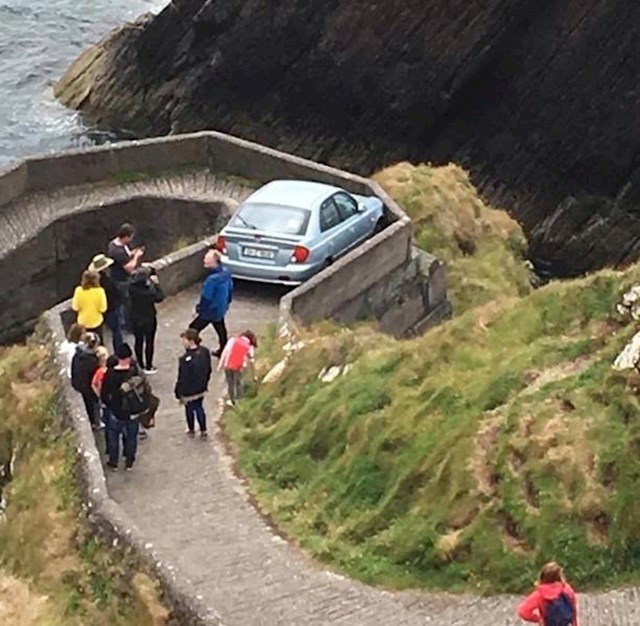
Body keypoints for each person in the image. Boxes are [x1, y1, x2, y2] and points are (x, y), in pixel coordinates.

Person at [101, 343, 151, 471]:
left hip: (116, 412)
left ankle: (114, 462)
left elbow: (104, 394)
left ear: (117, 357)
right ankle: (129, 462)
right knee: (131, 437)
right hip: (133, 411)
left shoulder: (111, 374)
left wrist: (110, 405)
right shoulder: (135, 371)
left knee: (113, 437)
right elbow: (146, 389)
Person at [189, 248, 233, 357]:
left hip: (210, 310)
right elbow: (231, 289)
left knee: (193, 328)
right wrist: (227, 303)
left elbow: (206, 297)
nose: (204, 260)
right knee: (220, 329)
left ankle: (194, 349)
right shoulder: (226, 273)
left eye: (207, 259)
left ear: (214, 261)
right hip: (220, 308)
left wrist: (198, 309)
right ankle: (223, 349)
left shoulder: (212, 280)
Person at [107, 223, 145, 332]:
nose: (131, 239)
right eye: (131, 237)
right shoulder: (117, 251)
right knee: (126, 303)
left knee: (123, 302)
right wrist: (136, 257)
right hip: (121, 280)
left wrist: (134, 252)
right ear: (126, 236)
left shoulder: (115, 244)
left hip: (118, 278)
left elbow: (126, 256)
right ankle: (126, 326)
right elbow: (129, 267)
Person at [174, 329, 212, 437]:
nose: (183, 343)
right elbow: (209, 369)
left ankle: (191, 429)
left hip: (189, 390)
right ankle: (203, 429)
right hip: (202, 387)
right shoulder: (205, 351)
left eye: (184, 340)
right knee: (199, 407)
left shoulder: (184, 359)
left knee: (189, 409)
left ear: (191, 341)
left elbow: (182, 377)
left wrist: (178, 391)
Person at [518, 562, 578, 626]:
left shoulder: (540, 594)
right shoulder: (566, 589)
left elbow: (523, 611)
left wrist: (539, 619)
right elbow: (573, 608)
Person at [129, 265, 164, 374]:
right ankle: (148, 366)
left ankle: (140, 364)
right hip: (149, 318)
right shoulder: (149, 292)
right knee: (149, 341)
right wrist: (156, 284)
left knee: (138, 341)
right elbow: (160, 297)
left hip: (136, 318)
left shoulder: (131, 288)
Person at [88, 253, 122, 352]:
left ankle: (102, 354)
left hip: (98, 311)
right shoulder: (107, 282)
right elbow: (115, 293)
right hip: (111, 309)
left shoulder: (93, 283)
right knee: (116, 331)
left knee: (99, 336)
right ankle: (118, 351)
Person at [218, 330, 258, 406]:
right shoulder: (249, 346)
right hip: (239, 367)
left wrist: (220, 364)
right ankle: (240, 401)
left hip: (228, 365)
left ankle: (232, 401)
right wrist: (254, 375)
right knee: (239, 383)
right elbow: (252, 361)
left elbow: (225, 352)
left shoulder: (233, 340)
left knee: (230, 383)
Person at [70, 332, 101, 430]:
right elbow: (94, 378)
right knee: (92, 406)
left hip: (77, 384)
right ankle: (95, 423)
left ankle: (93, 422)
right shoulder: (92, 360)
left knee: (88, 405)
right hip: (87, 387)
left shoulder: (78, 354)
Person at [71, 270, 107, 343]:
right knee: (99, 342)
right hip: (96, 322)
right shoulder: (100, 291)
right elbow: (103, 309)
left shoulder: (78, 290)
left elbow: (75, 307)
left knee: (85, 343)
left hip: (83, 323)